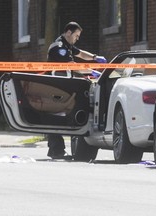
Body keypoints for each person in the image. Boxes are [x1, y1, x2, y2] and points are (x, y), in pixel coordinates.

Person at [46, 21, 106, 159]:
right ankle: (56, 150)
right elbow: (72, 65)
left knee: (63, 117)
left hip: (64, 87)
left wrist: (94, 58)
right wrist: (92, 71)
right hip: (56, 87)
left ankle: (58, 150)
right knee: (55, 119)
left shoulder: (67, 46)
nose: (77, 38)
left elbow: (80, 54)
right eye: (76, 35)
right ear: (68, 33)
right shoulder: (59, 47)